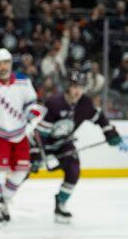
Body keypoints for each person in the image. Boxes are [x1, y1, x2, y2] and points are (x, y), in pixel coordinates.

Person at [34, 71, 122, 224]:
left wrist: (109, 132)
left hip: (63, 143)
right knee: (24, 170)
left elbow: (99, 118)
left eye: (80, 87)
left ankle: (60, 203)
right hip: (42, 142)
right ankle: (2, 201)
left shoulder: (85, 104)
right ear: (68, 87)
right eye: (74, 86)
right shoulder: (54, 102)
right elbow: (41, 133)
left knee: (73, 170)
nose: (77, 91)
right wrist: (39, 154)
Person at [0, 48, 44, 225]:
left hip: (21, 133)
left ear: (11, 63)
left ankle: (3, 199)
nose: (2, 67)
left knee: (21, 171)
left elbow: (30, 104)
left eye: (5, 63)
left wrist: (32, 112)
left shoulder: (23, 81)